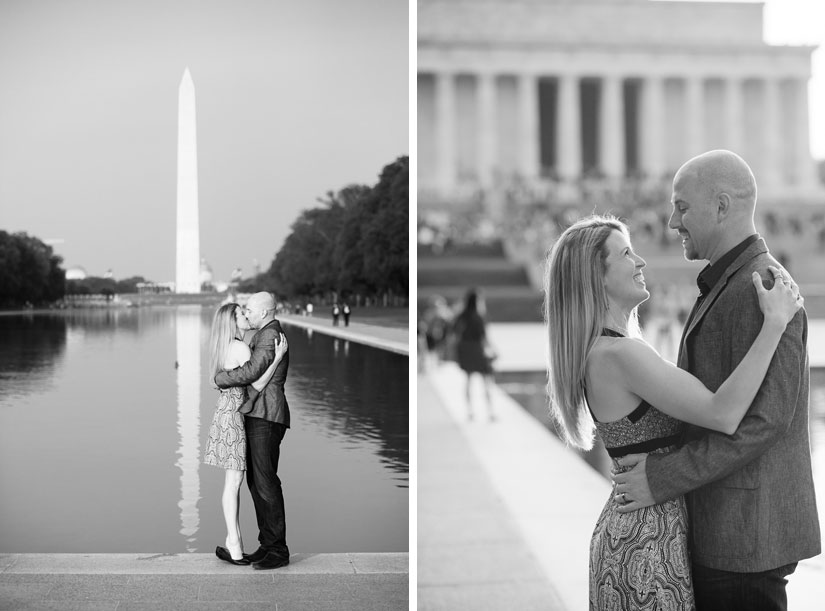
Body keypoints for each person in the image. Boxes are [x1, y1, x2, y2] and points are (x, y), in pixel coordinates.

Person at [543, 214, 803, 610]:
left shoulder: (601, 350)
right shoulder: (621, 354)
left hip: (637, 531)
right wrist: (774, 324)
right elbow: (723, 413)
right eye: (626, 253)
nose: (641, 261)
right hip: (647, 541)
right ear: (596, 276)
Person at [612, 150, 821, 610]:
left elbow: (765, 422)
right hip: (731, 532)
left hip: (744, 539)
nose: (671, 222)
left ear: (722, 207)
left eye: (682, 207)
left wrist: (664, 476)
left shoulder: (761, 286)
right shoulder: (735, 281)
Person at [204, 303, 287, 565]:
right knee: (238, 482)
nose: (246, 314)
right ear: (232, 321)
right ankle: (237, 543)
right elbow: (257, 381)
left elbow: (242, 379)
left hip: (228, 413)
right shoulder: (240, 346)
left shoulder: (228, 345)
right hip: (236, 416)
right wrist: (276, 358)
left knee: (240, 481)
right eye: (241, 312)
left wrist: (217, 379)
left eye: (247, 310)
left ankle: (240, 543)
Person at [452, 288, 497, 421]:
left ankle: (470, 411)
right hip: (476, 350)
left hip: (464, 350)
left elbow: (454, 333)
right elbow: (483, 339)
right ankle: (490, 412)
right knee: (486, 381)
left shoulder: (461, 316)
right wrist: (495, 351)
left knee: (468, 380)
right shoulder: (478, 318)